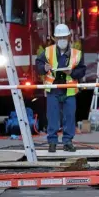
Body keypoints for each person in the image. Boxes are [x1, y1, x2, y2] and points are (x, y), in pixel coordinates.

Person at [36, 24, 86, 153]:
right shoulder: (48, 51)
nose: (62, 40)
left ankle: (67, 142)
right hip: (54, 90)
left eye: (64, 37)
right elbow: (38, 65)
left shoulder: (76, 53)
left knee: (69, 117)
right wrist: (44, 68)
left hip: (69, 90)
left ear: (69, 37)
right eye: (59, 38)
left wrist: (72, 73)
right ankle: (52, 142)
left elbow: (82, 70)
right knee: (52, 117)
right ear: (55, 39)